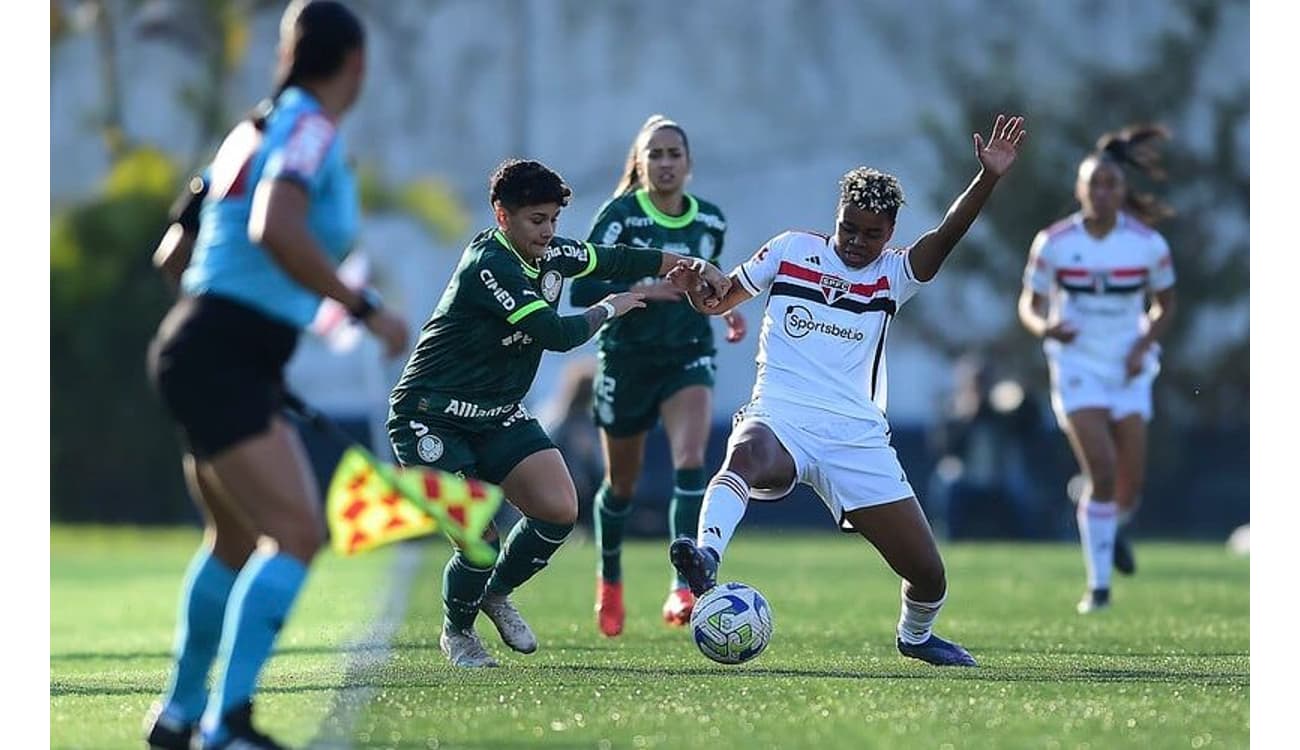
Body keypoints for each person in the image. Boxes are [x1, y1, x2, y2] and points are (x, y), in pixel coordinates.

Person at [667, 114, 1028, 667]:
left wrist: (988, 179)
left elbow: (948, 235)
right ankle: (705, 558)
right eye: (848, 228)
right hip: (780, 414)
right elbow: (717, 301)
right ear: (835, 218)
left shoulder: (894, 274)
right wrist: (697, 287)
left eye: (872, 233)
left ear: (890, 233)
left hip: (854, 437)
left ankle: (915, 636)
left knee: (928, 575)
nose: (857, 242)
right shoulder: (789, 250)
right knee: (745, 453)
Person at [143, 3, 409, 748]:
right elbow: (274, 227)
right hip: (221, 352)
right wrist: (366, 308)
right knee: (295, 531)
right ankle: (227, 725)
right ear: (355, 64)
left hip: (204, 344)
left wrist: (240, 336)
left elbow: (174, 254)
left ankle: (177, 717)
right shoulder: (312, 130)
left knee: (234, 539)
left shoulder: (251, 128)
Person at [387, 158, 730, 668]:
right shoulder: (490, 263)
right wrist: (614, 306)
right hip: (429, 416)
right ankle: (458, 633)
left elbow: (611, 256)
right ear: (502, 216)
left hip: (497, 412)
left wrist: (689, 265)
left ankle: (495, 594)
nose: (548, 232)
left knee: (559, 508)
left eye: (552, 220)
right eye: (536, 220)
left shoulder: (551, 250)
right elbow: (556, 334)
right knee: (479, 536)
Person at [571, 115, 746, 637]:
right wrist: (647, 287)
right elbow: (579, 292)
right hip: (627, 360)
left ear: (689, 165)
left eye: (674, 154)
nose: (666, 163)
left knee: (691, 460)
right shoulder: (620, 217)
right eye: (656, 154)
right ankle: (610, 579)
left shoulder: (710, 221)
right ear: (640, 164)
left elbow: (707, 287)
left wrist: (726, 307)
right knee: (621, 485)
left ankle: (683, 585)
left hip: (686, 354)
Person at [1017, 124, 1177, 614]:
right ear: (1079, 190)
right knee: (1104, 472)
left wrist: (1143, 344)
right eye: (1094, 184)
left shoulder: (1147, 244)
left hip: (1128, 367)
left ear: (1124, 190)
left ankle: (1105, 517)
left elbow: (1165, 305)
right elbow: (1030, 303)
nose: (1103, 193)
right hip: (1077, 364)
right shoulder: (1054, 243)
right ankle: (1099, 587)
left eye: (1111, 184)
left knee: (1128, 486)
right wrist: (1046, 328)